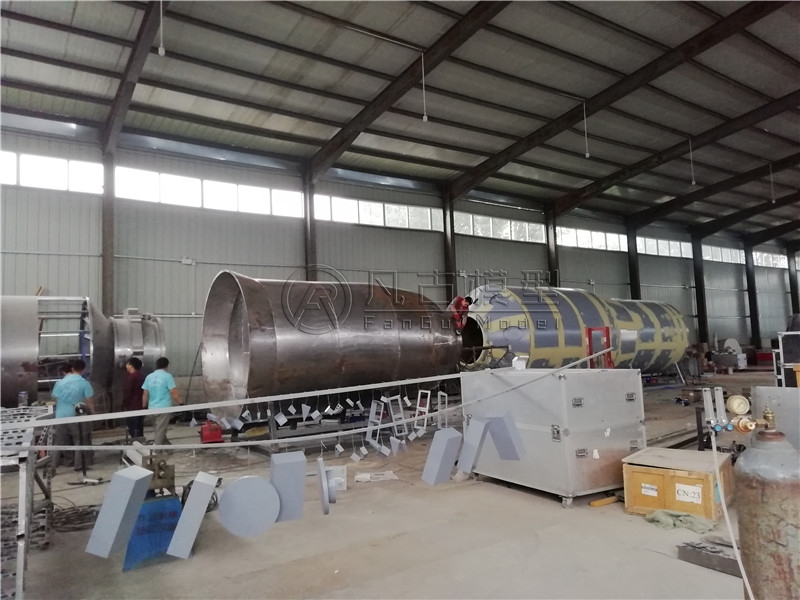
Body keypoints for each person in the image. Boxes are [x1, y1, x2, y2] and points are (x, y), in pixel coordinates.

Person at [51, 359, 95, 471]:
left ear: (72, 369)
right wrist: (93, 412)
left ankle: (53, 466)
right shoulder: (84, 383)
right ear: (83, 370)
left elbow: (55, 398)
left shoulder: (60, 383)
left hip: (60, 415)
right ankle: (78, 465)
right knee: (78, 440)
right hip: (76, 416)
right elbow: (89, 400)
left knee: (59, 441)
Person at [142, 357, 183, 446]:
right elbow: (173, 391)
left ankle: (168, 448)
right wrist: (181, 403)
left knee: (159, 429)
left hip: (152, 408)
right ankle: (156, 451)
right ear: (167, 365)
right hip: (164, 408)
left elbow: (145, 392)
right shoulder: (167, 376)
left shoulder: (149, 377)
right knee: (160, 430)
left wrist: (144, 405)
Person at [123, 357, 146, 441]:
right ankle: (140, 441)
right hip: (141, 405)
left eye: (127, 364)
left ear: (131, 366)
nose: (126, 366)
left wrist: (123, 404)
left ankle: (135, 442)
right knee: (139, 426)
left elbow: (127, 392)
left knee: (133, 427)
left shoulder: (131, 377)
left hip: (132, 406)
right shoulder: (142, 376)